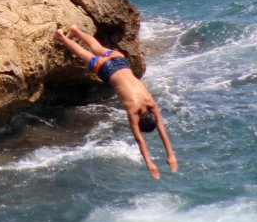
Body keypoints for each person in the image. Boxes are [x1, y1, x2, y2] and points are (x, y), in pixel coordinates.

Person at [55, 26, 178, 179]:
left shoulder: (152, 103)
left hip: (120, 61)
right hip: (106, 69)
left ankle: (75, 31)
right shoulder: (132, 110)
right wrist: (149, 162)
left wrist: (171, 155)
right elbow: (139, 139)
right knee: (82, 53)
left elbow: (162, 129)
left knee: (96, 47)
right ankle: (62, 36)